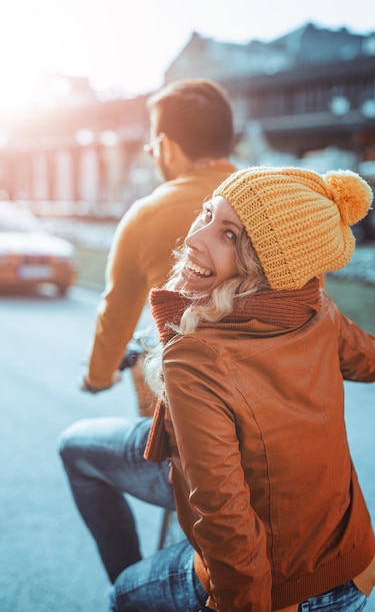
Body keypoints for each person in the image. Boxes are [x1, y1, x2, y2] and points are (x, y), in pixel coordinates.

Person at [108, 166, 375, 612]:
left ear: (266, 269)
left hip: (275, 592)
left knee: (121, 595)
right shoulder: (318, 310)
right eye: (206, 214)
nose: (197, 239)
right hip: (351, 564)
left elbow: (226, 523)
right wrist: (315, 299)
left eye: (230, 236)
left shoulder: (195, 355)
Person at [58, 78, 236, 582]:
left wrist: (96, 377)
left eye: (154, 140)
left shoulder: (148, 213)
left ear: (169, 145)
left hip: (200, 451)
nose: (152, 150)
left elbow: (115, 315)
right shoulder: (272, 207)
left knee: (75, 448)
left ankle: (132, 584)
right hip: (284, 443)